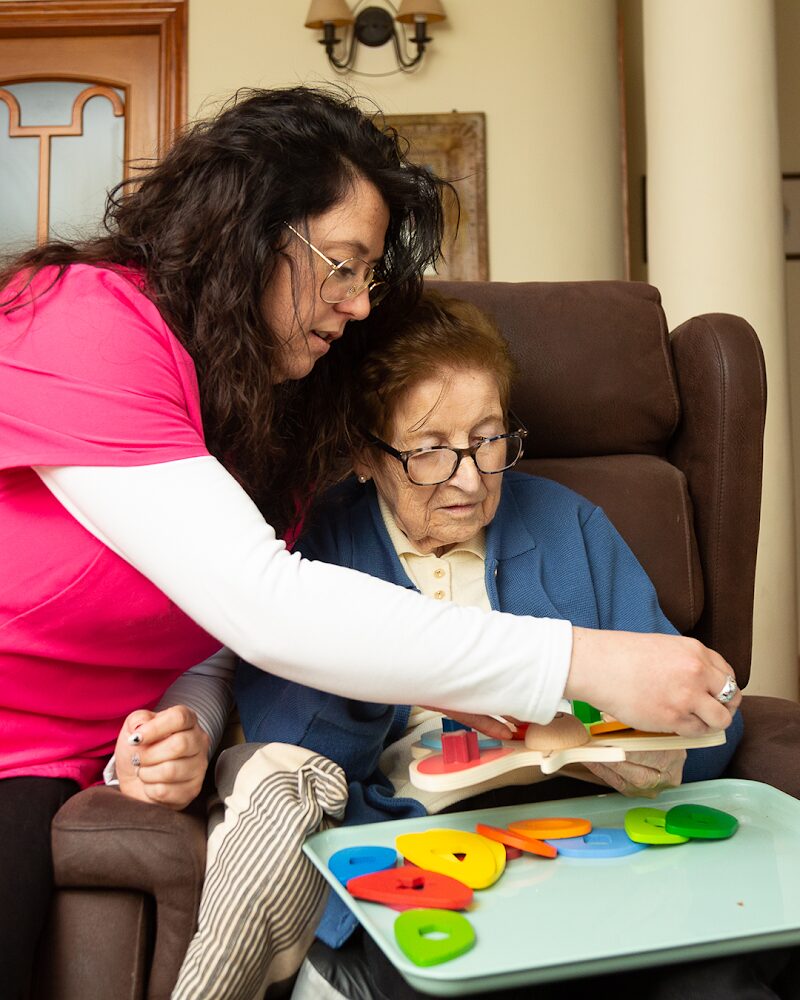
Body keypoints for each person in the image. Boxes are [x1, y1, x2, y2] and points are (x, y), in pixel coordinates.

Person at [0, 86, 739, 997]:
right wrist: (578, 661)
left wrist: (182, 718)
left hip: (59, 755)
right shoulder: (85, 321)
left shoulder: (270, 419)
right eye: (341, 265)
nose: (356, 303)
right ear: (249, 231)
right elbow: (262, 606)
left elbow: (203, 629)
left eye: (370, 277)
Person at [226, 292, 745, 997]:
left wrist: (676, 741)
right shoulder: (314, 551)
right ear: (364, 453)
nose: (470, 478)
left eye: (489, 439)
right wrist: (397, 677)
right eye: (432, 452)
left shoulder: (570, 526)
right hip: (421, 862)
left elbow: (713, 708)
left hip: (595, 844)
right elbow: (295, 755)